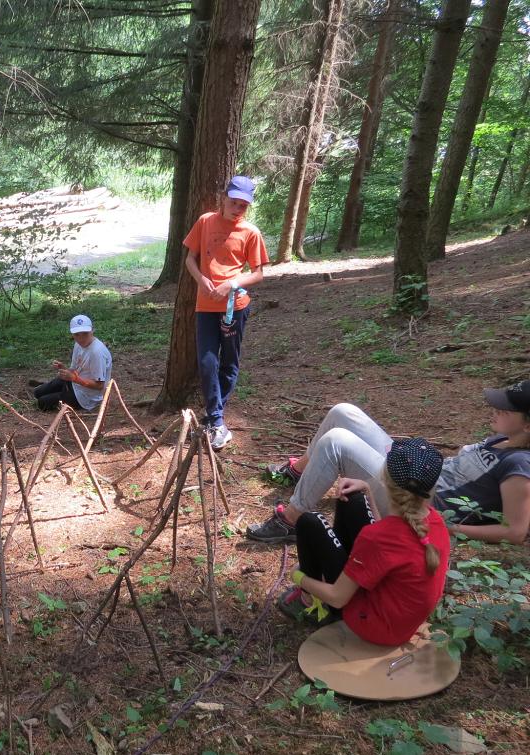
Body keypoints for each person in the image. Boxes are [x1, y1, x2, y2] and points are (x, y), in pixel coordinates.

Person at [249, 381, 530, 546]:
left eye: (504, 411)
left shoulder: (519, 465)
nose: (495, 412)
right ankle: (298, 470)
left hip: (416, 500)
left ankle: (291, 521)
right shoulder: (503, 439)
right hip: (415, 471)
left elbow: (516, 532)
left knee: (337, 442)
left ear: (527, 425)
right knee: (343, 412)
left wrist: (447, 528)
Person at [281, 438, 451, 647]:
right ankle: (327, 579)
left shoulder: (376, 537)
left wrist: (298, 576)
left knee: (310, 522)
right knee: (354, 499)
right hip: (400, 620)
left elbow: (338, 597)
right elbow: (391, 547)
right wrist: (367, 492)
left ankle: (310, 601)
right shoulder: (434, 522)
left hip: (374, 626)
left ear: (384, 478)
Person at [182, 175, 268, 450]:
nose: (237, 209)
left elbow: (257, 274)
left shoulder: (250, 232)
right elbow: (189, 259)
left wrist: (231, 284)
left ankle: (213, 418)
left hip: (235, 307)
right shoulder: (205, 221)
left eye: (243, 205)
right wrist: (202, 280)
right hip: (205, 306)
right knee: (207, 362)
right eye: (234, 202)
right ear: (224, 198)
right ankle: (218, 421)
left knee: (229, 362)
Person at [33, 314, 112, 412]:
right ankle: (60, 391)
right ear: (72, 334)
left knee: (42, 402)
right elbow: (75, 369)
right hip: (75, 384)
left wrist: (74, 378)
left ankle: (65, 396)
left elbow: (99, 385)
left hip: (87, 396)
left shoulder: (96, 352)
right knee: (37, 392)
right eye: (77, 335)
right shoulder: (78, 345)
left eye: (85, 333)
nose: (81, 338)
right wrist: (64, 368)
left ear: (92, 330)